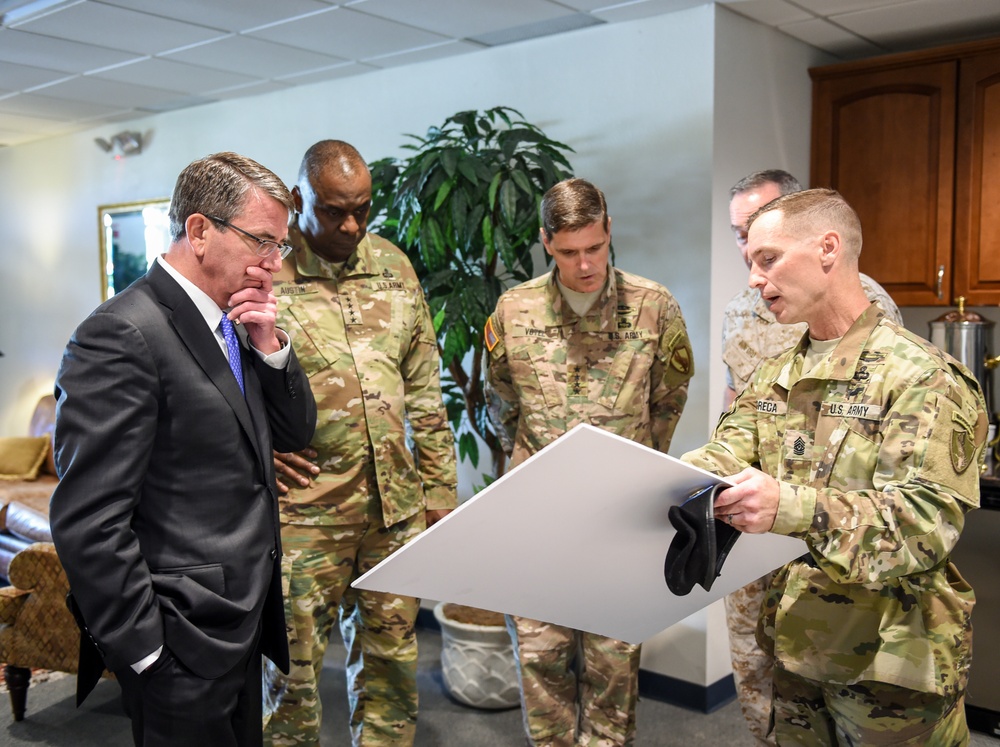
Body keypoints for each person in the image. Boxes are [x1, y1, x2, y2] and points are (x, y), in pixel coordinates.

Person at [684, 188, 986, 745]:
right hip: (798, 647)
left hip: (893, 666)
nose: (754, 278)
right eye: (750, 261)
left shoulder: (921, 376)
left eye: (767, 258)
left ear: (828, 248)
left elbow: (923, 525)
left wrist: (786, 506)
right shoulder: (776, 372)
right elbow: (727, 451)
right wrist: (659, 478)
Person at [49, 152, 317, 747]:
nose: (274, 265)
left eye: (281, 246)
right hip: (177, 643)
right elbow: (88, 519)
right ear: (199, 231)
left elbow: (295, 435)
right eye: (261, 242)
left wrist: (270, 345)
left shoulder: (235, 319)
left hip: (242, 623)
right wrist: (145, 653)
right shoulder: (121, 333)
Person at [485, 177, 693, 747]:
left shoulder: (653, 306)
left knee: (612, 666)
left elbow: (668, 398)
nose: (585, 264)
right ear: (547, 242)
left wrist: (642, 469)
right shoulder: (514, 309)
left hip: (621, 517)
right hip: (537, 517)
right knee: (541, 660)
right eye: (570, 251)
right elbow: (501, 400)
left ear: (608, 233)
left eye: (595, 248)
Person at [264, 140, 458, 747]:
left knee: (392, 667)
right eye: (332, 210)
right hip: (303, 514)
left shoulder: (395, 267)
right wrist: (248, 448)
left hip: (391, 510)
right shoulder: (266, 271)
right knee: (291, 677)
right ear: (299, 201)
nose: (351, 224)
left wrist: (441, 495)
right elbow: (217, 384)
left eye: (363, 208)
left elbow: (426, 390)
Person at [719, 170, 903, 744]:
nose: (753, 270)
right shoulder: (744, 315)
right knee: (768, 688)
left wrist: (793, 506)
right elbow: (741, 413)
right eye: (741, 239)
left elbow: (895, 492)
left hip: (842, 552)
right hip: (755, 530)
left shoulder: (889, 339)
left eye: (766, 246)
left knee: (859, 704)